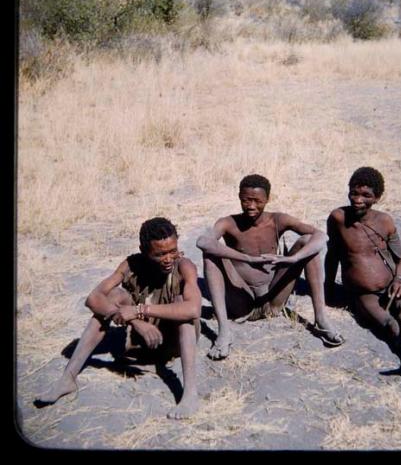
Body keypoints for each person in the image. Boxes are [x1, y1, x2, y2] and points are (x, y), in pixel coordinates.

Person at [36, 217, 202, 419]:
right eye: (160, 254)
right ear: (144, 250)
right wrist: (136, 321)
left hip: (171, 342)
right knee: (115, 296)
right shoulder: (132, 264)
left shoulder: (185, 266)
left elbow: (193, 309)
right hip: (139, 340)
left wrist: (140, 310)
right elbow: (93, 298)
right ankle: (68, 378)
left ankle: (190, 394)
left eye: (172, 251)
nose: (168, 258)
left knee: (180, 303)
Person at [196, 173, 344, 360]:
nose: (251, 206)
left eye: (257, 201)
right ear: (239, 197)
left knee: (308, 243)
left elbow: (321, 236)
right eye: (245, 200)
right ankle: (224, 331)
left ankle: (321, 319)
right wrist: (246, 258)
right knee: (211, 254)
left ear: (267, 199)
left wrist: (293, 259)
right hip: (241, 303)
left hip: (273, 300)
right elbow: (203, 242)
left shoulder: (277, 220)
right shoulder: (228, 223)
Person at [325, 166, 401, 382]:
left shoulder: (385, 221)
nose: (358, 199)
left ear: (377, 198)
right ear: (348, 191)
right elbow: (333, 253)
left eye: (366, 195)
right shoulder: (338, 218)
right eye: (354, 192)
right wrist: (328, 285)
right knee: (388, 323)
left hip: (393, 284)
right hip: (363, 293)